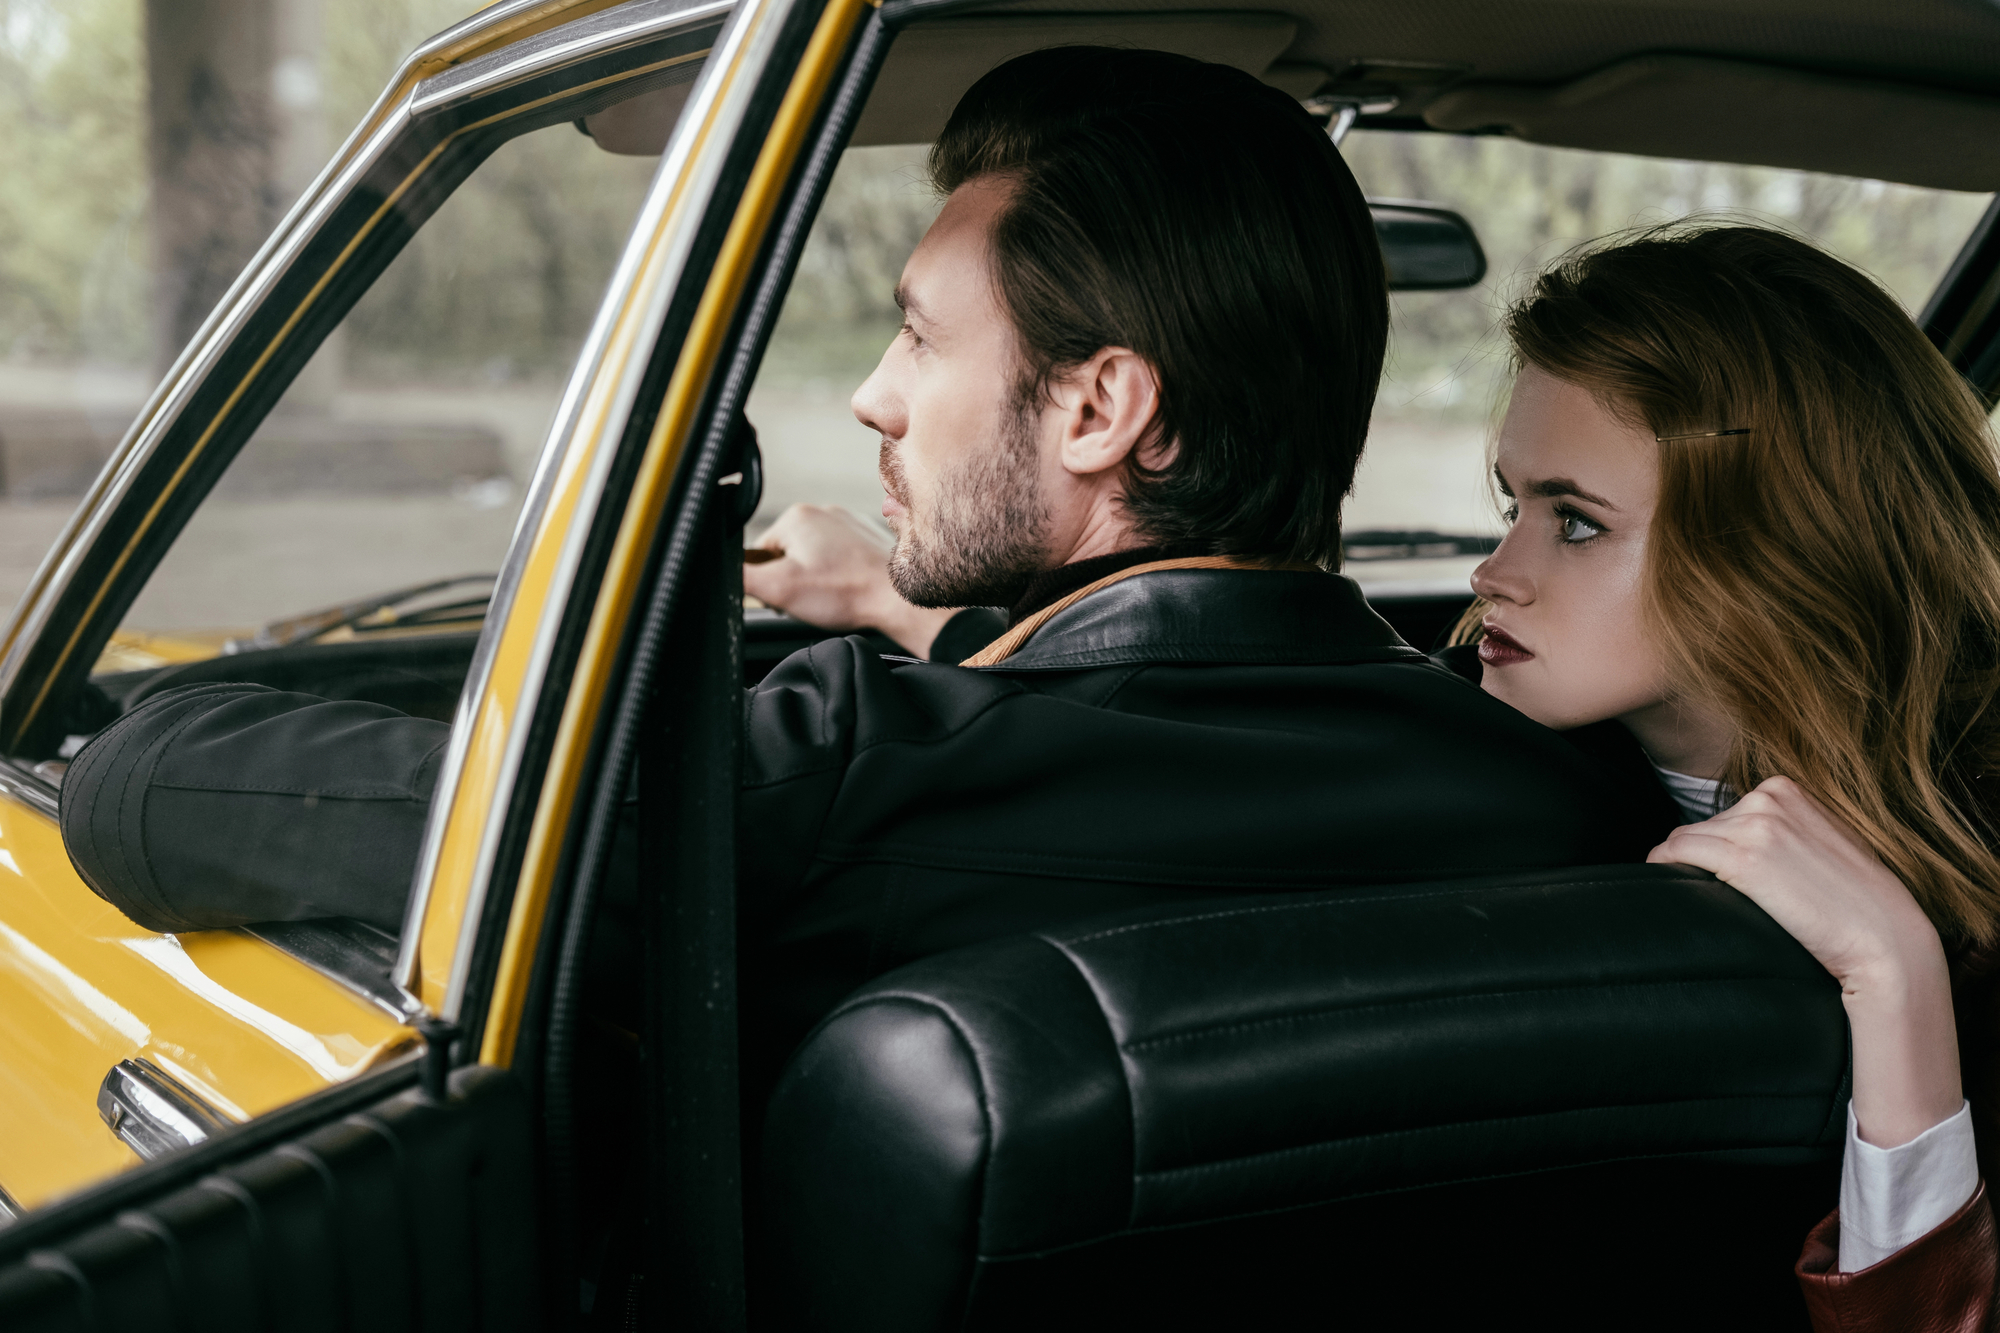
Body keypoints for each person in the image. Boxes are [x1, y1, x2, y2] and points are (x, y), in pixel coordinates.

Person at [57, 47, 1674, 1093]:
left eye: (916, 331)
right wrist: (930, 616)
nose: (873, 395)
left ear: (1106, 406)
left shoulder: (832, 775)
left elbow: (148, 788)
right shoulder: (1573, 793)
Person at [1453, 223, 2000, 1328]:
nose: (1491, 574)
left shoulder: (1972, 839)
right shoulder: (1448, 779)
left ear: (1776, 543)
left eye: (1573, 521)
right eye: (1510, 505)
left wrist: (1895, 983)